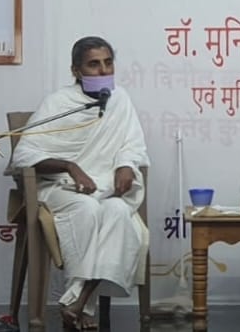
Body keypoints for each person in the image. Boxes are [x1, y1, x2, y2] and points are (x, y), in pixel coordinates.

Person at [10, 36, 149, 330]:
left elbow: (132, 144)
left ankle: (77, 300)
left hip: (106, 188)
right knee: (87, 209)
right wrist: (69, 166)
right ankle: (83, 307)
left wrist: (125, 164)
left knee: (119, 213)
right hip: (59, 187)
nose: (103, 70)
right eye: (94, 64)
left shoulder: (120, 100)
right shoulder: (58, 103)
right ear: (76, 71)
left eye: (108, 63)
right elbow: (25, 155)